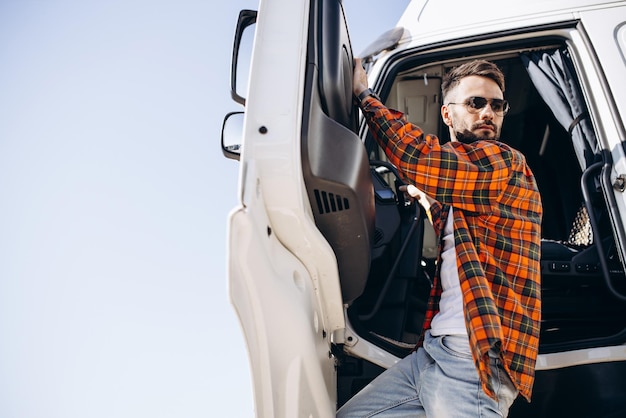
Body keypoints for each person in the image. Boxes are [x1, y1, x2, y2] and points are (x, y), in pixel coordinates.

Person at [337, 59, 542, 417]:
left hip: (473, 360)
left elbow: (421, 157)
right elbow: (461, 221)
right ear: (447, 115)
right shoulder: (466, 190)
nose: (488, 113)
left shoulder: (503, 161)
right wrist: (426, 198)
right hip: (433, 353)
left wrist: (364, 95)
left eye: (497, 105)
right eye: (476, 103)